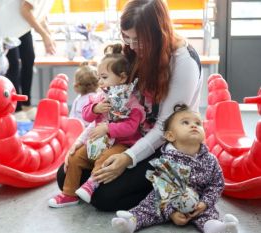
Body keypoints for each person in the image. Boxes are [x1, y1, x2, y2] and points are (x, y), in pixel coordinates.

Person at [56, 0, 203, 211]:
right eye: (127, 37)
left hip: (165, 145)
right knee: (65, 175)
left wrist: (128, 158)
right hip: (128, 135)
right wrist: (81, 141)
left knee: (105, 198)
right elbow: (111, 111)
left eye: (140, 40)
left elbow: (164, 127)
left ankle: (172, 190)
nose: (133, 46)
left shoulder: (184, 62)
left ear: (158, 33)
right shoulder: (133, 52)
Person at [111, 104, 239, 233]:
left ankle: (216, 229)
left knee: (209, 214)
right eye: (185, 122)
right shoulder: (166, 161)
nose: (193, 125)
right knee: (150, 206)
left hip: (199, 202)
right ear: (171, 136)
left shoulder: (210, 159)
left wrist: (205, 203)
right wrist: (171, 212)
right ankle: (131, 222)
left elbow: (216, 184)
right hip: (168, 201)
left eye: (198, 123)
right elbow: (162, 190)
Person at [48, 44, 145, 208]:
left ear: (122, 77)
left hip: (122, 144)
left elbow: (131, 128)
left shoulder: (133, 102)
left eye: (104, 77)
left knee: (104, 159)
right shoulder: (100, 96)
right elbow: (87, 116)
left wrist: (108, 128)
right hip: (98, 141)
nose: (100, 82)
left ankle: (91, 184)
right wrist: (95, 108)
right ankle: (69, 194)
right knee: (75, 157)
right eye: (99, 77)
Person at [0, 0, 56, 120]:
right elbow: (25, 10)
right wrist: (44, 36)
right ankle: (17, 107)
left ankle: (26, 104)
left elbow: (39, 15)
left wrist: (48, 35)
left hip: (21, 24)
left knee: (29, 59)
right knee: (13, 65)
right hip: (1, 22)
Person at [69, 62, 99, 127]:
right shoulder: (95, 97)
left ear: (76, 85)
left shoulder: (83, 98)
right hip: (80, 130)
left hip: (79, 130)